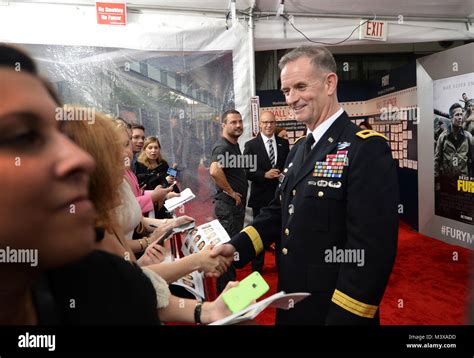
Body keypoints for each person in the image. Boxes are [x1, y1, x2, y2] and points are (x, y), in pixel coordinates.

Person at [0, 43, 239, 326]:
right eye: (23, 136)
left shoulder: (90, 277)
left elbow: (131, 286)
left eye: (61, 136)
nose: (82, 161)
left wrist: (209, 311)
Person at [212, 46, 399, 325]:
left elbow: (371, 251)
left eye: (300, 86)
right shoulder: (300, 148)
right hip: (292, 302)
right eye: (287, 91)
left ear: (330, 83)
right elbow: (278, 212)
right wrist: (236, 247)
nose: (292, 99)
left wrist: (344, 318)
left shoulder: (365, 148)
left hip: (332, 311)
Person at [243, 111, 289, 273]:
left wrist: (283, 174)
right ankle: (257, 268)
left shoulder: (284, 144)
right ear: (260, 125)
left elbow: (289, 168)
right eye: (265, 122)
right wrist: (264, 174)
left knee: (280, 234)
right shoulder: (251, 145)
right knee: (259, 234)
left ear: (275, 124)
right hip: (260, 198)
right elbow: (246, 171)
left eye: (271, 122)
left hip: (280, 198)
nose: (268, 125)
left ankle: (281, 266)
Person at [209, 109, 248, 294]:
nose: (238, 125)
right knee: (227, 253)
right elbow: (214, 171)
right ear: (223, 125)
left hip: (233, 209)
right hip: (228, 208)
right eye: (233, 122)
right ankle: (226, 301)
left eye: (240, 121)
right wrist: (231, 192)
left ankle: (228, 298)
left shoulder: (233, 145)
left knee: (231, 251)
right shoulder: (223, 147)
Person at [136, 136, 180, 218]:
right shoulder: (139, 165)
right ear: (144, 149)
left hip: (165, 203)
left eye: (156, 148)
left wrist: (172, 179)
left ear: (159, 149)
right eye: (150, 148)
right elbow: (145, 185)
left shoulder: (163, 163)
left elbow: (171, 178)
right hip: (148, 204)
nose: (153, 151)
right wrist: (164, 180)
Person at [435, 103, 473, 188]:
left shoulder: (468, 137)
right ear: (451, 117)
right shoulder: (443, 137)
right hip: (446, 182)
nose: (460, 117)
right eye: (457, 115)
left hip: (463, 182)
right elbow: (437, 160)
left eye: (461, 114)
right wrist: (436, 181)